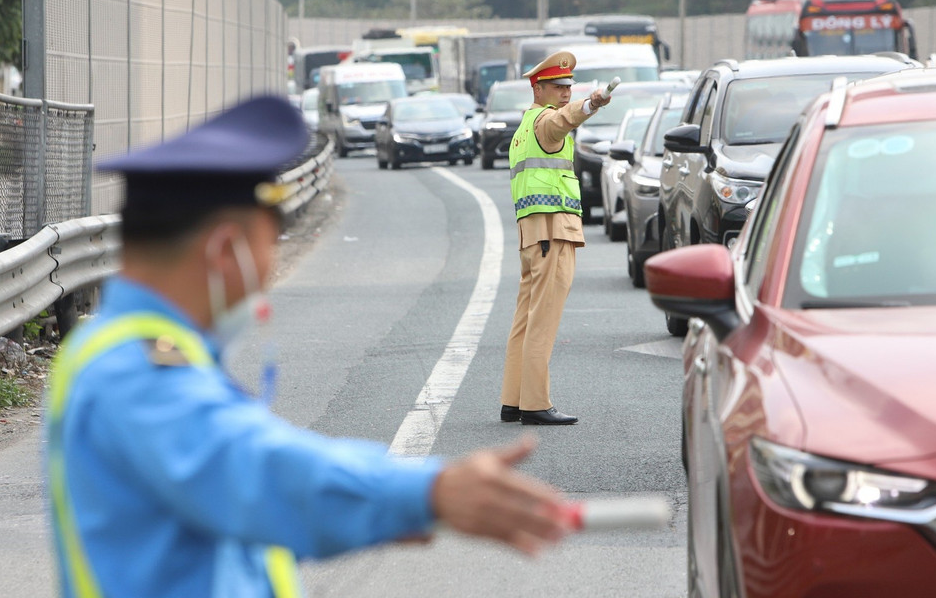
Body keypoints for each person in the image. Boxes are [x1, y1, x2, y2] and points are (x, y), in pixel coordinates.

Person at [45, 95, 571, 597]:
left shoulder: (134, 352)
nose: (269, 268)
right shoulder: (133, 371)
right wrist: (425, 493)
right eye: (269, 242)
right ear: (226, 249)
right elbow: (258, 472)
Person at [500, 51, 612, 426]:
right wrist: (591, 102)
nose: (566, 92)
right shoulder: (546, 121)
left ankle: (513, 399)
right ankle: (535, 403)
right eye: (558, 87)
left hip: (532, 234)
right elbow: (565, 119)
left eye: (569, 87)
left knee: (525, 318)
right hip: (551, 230)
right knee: (543, 318)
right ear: (539, 88)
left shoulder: (523, 127)